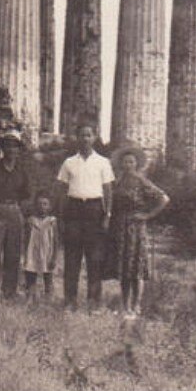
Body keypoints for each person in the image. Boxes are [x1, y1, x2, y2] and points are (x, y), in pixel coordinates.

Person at [56, 122, 115, 311]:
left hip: (94, 210)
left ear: (94, 137)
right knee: (72, 258)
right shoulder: (69, 162)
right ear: (77, 138)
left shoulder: (103, 162)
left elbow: (108, 191)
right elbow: (62, 191)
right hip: (73, 210)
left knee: (95, 258)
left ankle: (93, 302)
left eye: (89, 135)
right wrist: (61, 217)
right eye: (82, 135)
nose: (85, 139)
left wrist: (107, 215)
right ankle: (70, 301)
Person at [107, 145, 170, 316]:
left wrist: (147, 215)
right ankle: (125, 305)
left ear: (136, 164)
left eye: (131, 162)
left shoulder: (142, 181)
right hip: (120, 227)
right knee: (124, 268)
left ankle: (136, 306)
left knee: (137, 268)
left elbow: (164, 198)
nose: (128, 165)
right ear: (121, 164)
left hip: (136, 228)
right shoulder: (117, 182)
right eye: (125, 162)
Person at [0, 129, 33, 299]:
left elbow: (27, 194)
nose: (11, 150)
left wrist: (18, 211)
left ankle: (9, 292)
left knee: (13, 253)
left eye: (14, 146)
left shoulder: (22, 171)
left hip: (14, 210)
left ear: (18, 150)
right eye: (7, 146)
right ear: (2, 148)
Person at [23, 192, 59, 301]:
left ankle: (48, 299)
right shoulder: (31, 221)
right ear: (35, 206)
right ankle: (30, 298)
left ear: (49, 206)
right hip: (32, 252)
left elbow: (56, 241)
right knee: (31, 274)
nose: (42, 207)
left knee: (48, 276)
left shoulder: (52, 221)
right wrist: (25, 255)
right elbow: (26, 239)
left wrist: (54, 257)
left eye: (45, 204)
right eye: (39, 204)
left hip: (47, 253)